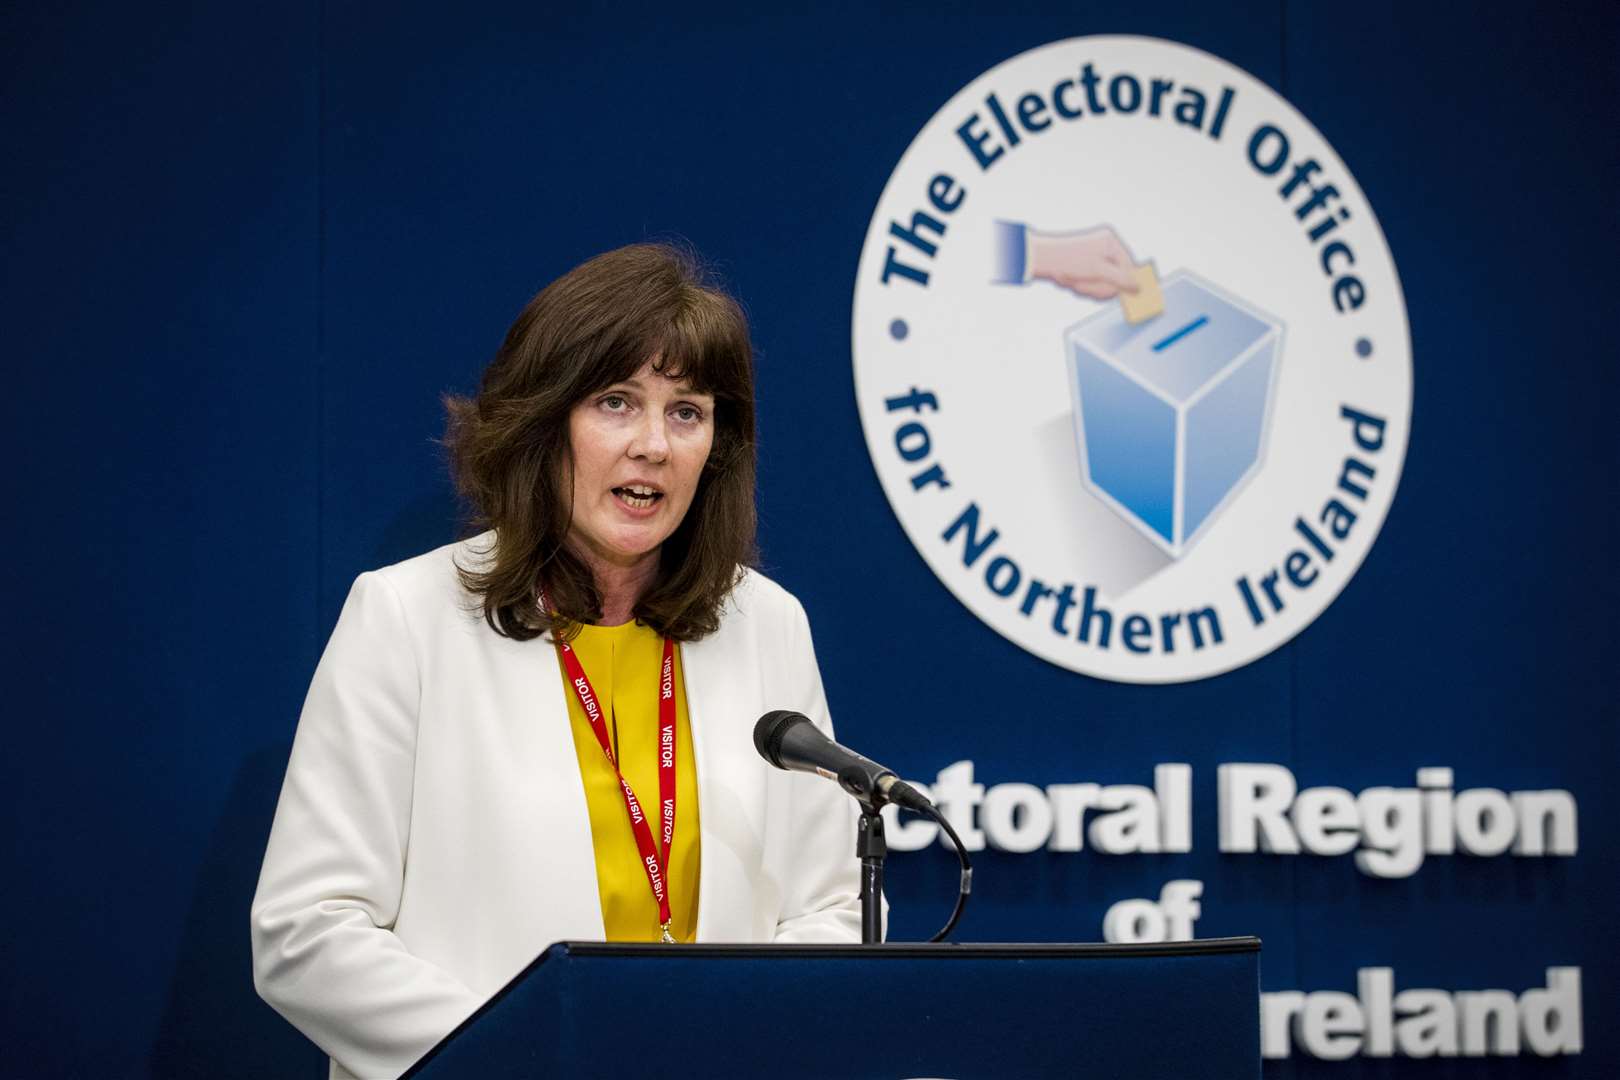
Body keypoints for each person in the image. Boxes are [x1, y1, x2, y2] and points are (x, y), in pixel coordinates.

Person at [250, 243, 862, 1080]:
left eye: (687, 411)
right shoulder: (407, 615)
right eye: (616, 402)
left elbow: (830, 907)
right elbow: (307, 929)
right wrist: (532, 1055)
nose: (654, 445)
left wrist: (737, 1039)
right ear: (545, 423)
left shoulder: (768, 624)